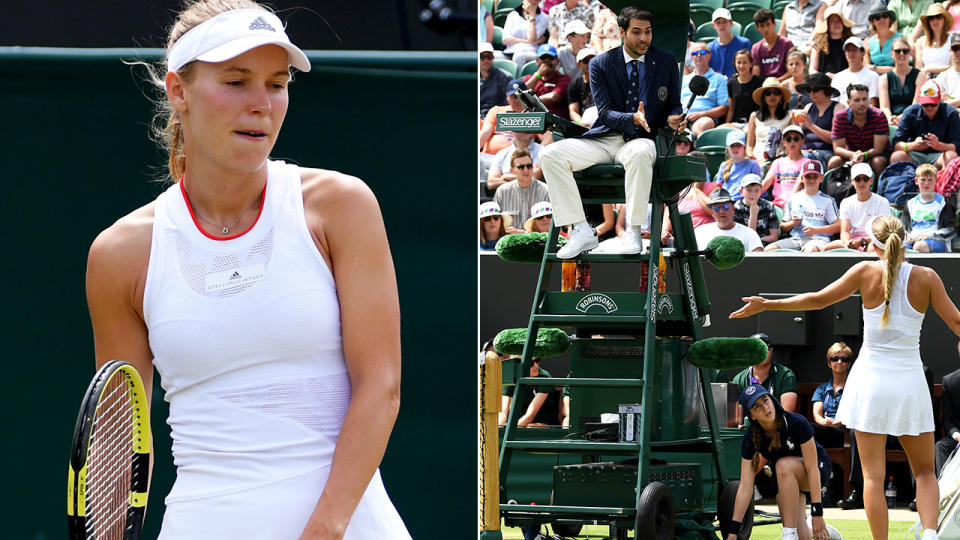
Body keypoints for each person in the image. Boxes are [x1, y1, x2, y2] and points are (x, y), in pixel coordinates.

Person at [84, 2, 411, 538]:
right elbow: (120, 444)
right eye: (236, 82)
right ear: (178, 91)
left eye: (277, 84)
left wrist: (325, 529)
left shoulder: (341, 206)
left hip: (349, 526)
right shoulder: (120, 254)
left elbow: (382, 386)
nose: (262, 104)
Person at [732, 213, 960, 540]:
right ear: (904, 239)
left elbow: (817, 300)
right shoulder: (927, 277)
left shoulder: (864, 271)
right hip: (909, 384)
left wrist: (767, 305)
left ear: (875, 243)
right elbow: (957, 324)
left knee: (871, 477)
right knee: (925, 471)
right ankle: (930, 535)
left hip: (871, 384)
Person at [539, 6, 684, 259]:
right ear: (621, 32)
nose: (643, 38)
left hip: (640, 140)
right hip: (604, 139)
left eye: (648, 32)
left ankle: (634, 231)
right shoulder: (599, 63)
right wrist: (632, 118)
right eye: (637, 32)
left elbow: (674, 105)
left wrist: (674, 119)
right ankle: (581, 229)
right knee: (550, 155)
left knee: (640, 153)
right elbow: (604, 113)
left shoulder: (667, 60)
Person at [724, 384, 833, 540]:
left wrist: (818, 513)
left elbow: (812, 469)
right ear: (752, 416)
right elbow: (745, 487)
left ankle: (788, 534)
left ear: (773, 400)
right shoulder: (750, 438)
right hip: (785, 479)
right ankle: (829, 533)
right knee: (804, 536)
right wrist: (733, 532)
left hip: (816, 471)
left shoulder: (797, 423)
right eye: (757, 406)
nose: (765, 408)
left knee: (782, 464)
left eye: (765, 400)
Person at [765, 160, 841, 251]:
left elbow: (839, 226)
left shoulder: (828, 201)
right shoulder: (794, 198)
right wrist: (792, 223)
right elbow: (783, 226)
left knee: (810, 250)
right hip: (796, 238)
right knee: (769, 250)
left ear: (821, 178)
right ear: (802, 178)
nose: (811, 180)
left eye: (815, 176)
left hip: (818, 239)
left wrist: (817, 230)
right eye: (808, 176)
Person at [891, 79, 960, 170]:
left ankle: (945, 184)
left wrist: (938, 145)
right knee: (897, 156)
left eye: (933, 104)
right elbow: (896, 144)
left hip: (939, 156)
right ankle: (904, 183)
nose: (929, 108)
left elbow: (956, 146)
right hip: (915, 154)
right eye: (926, 104)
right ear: (920, 101)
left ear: (939, 99)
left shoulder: (951, 113)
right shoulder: (910, 112)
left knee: (951, 156)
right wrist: (914, 145)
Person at [823, 163, 893, 251]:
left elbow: (882, 233)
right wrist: (847, 243)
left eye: (865, 179)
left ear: (871, 181)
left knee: (873, 248)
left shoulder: (882, 202)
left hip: (873, 240)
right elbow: (844, 231)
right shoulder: (846, 202)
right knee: (825, 248)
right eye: (858, 179)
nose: (862, 182)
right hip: (853, 239)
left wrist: (861, 241)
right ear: (852, 181)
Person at [828, 83, 890, 178]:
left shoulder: (879, 115)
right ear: (849, 103)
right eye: (857, 100)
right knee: (834, 161)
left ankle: (879, 191)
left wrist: (863, 155)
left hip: (874, 155)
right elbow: (837, 148)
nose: (862, 103)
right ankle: (835, 191)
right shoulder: (840, 117)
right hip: (851, 155)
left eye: (865, 99)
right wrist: (853, 155)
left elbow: (879, 149)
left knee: (878, 162)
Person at [732, 333, 800, 417]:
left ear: (771, 350)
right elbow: (735, 416)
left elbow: (786, 414)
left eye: (765, 348)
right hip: (747, 428)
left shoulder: (786, 376)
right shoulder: (739, 379)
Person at [901, 163, 958, 252]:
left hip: (936, 240)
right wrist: (906, 236)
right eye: (923, 180)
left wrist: (928, 236)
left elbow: (951, 230)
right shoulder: (910, 203)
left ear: (936, 180)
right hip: (913, 240)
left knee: (919, 246)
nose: (926, 183)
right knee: (899, 247)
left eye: (930, 180)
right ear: (916, 181)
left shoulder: (943, 203)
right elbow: (902, 226)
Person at [694, 188, 764, 252]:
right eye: (717, 208)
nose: (721, 211)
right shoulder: (700, 232)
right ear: (712, 212)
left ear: (733, 209)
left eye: (725, 207)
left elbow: (757, 260)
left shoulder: (749, 233)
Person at [683, 42, 730, 137]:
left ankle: (699, 149)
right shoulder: (684, 79)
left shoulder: (719, 79)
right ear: (691, 57)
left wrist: (701, 114)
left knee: (704, 124)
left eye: (703, 52)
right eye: (695, 53)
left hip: (704, 118)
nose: (698, 55)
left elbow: (724, 108)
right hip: (682, 118)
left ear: (710, 55)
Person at [795, 72, 840, 170]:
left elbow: (835, 139)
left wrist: (811, 125)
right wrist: (795, 124)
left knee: (803, 159)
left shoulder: (838, 108)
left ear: (826, 90)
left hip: (826, 151)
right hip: (805, 151)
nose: (812, 93)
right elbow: (800, 135)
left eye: (815, 89)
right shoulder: (808, 107)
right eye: (809, 90)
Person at [494, 149, 551, 228]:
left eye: (529, 166)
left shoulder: (546, 190)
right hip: (509, 238)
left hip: (537, 239)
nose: (526, 170)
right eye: (521, 167)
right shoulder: (502, 191)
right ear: (512, 170)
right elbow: (494, 220)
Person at [499, 357, 563, 427]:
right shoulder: (511, 375)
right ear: (519, 365)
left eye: (537, 360)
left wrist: (509, 430)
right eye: (531, 363)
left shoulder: (544, 376)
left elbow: (529, 416)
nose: (536, 365)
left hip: (543, 421)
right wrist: (500, 428)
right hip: (517, 421)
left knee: (530, 426)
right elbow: (503, 413)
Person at [747, 77, 793, 166]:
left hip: (780, 160)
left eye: (776, 93)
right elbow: (749, 146)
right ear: (763, 97)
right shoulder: (754, 116)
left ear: (781, 96)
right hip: (758, 160)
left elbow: (793, 144)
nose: (772, 96)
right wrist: (751, 157)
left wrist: (783, 155)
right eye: (768, 93)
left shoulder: (789, 117)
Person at [879, 37, 926, 125]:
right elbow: (884, 107)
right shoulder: (884, 78)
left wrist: (902, 117)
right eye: (897, 51)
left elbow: (916, 105)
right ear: (891, 54)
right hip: (892, 121)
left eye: (905, 51)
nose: (901, 54)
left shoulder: (920, 75)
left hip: (914, 120)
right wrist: (890, 118)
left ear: (910, 53)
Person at [762, 125, 809, 209]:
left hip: (799, 207)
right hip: (777, 207)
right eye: (788, 139)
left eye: (796, 139)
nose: (792, 142)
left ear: (802, 141)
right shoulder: (778, 163)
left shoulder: (807, 163)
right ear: (783, 142)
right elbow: (766, 183)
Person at [523, 44, 572, 120]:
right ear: (537, 61)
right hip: (533, 122)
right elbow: (521, 93)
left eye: (550, 58)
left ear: (557, 61)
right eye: (543, 58)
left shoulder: (564, 79)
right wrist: (538, 75)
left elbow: (553, 97)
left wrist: (529, 100)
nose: (547, 61)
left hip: (555, 124)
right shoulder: (529, 78)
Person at [831, 36, 881, 108]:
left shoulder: (873, 76)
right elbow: (834, 104)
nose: (851, 53)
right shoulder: (837, 77)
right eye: (848, 50)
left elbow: (874, 105)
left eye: (854, 50)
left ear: (863, 53)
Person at [714, 130, 763, 199]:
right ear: (727, 149)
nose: (735, 148)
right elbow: (717, 188)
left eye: (739, 145)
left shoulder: (753, 165)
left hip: (744, 202)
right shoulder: (724, 165)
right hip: (726, 202)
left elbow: (758, 189)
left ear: (744, 148)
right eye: (732, 146)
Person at [734, 173, 781, 245]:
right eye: (749, 190)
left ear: (761, 191)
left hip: (765, 244)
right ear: (741, 192)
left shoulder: (768, 206)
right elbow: (748, 238)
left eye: (756, 190)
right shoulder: (736, 208)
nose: (753, 193)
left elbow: (774, 237)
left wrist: (759, 239)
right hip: (743, 244)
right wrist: (753, 215)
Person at [810, 6, 855, 79]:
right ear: (827, 24)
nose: (836, 23)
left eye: (838, 20)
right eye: (832, 21)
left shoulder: (852, 42)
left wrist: (838, 77)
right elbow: (812, 70)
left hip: (847, 81)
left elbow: (857, 67)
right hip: (823, 83)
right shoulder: (818, 44)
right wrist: (825, 76)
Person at [502, 0, 550, 68]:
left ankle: (518, 79)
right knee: (494, 55)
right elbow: (506, 40)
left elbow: (531, 38)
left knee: (518, 56)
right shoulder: (512, 15)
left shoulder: (544, 18)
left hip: (532, 52)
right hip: (511, 51)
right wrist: (528, 41)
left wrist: (532, 17)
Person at [936, 344, 960, 477]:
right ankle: (943, 491)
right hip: (958, 437)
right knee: (941, 447)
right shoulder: (950, 381)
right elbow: (948, 419)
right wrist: (956, 435)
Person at [751, 9, 795, 80]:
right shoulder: (756, 48)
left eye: (768, 24)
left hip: (783, 84)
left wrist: (777, 81)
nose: (765, 29)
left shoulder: (787, 44)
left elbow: (792, 71)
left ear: (774, 24)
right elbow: (756, 74)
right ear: (757, 27)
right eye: (762, 26)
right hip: (764, 87)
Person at [724, 49, 763, 129]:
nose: (741, 66)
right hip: (735, 124)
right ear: (734, 64)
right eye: (739, 62)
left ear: (751, 64)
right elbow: (731, 109)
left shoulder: (759, 82)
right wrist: (727, 125)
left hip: (753, 124)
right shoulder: (731, 83)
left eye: (745, 62)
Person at [708, 8, 752, 78]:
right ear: (713, 25)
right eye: (718, 22)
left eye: (725, 22)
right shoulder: (709, 48)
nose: (722, 25)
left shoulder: (744, 43)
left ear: (731, 23)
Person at [914, 3, 954, 79]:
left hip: (948, 79)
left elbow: (955, 67)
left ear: (944, 19)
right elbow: (918, 70)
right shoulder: (920, 42)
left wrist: (929, 69)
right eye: (931, 18)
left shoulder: (952, 39)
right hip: (926, 80)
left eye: (938, 17)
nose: (935, 20)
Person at [864, 5, 902, 75]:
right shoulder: (868, 43)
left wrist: (874, 68)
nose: (882, 20)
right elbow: (866, 68)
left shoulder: (900, 39)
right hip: (874, 79)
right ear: (873, 22)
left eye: (885, 16)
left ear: (889, 19)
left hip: (896, 78)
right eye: (877, 18)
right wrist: (889, 69)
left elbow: (901, 68)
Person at [568, 47, 597, 126]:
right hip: (583, 123)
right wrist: (581, 124)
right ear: (578, 64)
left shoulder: (604, 81)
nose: (589, 63)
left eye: (592, 60)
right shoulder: (574, 84)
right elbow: (573, 111)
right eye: (585, 61)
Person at [480, 42, 511, 119]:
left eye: (489, 57)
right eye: (482, 57)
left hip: (497, 118)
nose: (486, 60)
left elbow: (509, 105)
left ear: (493, 57)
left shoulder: (505, 77)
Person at [935, 33, 960, 108]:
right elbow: (936, 105)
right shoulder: (943, 76)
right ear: (950, 51)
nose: (958, 52)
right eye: (955, 48)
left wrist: (951, 99)